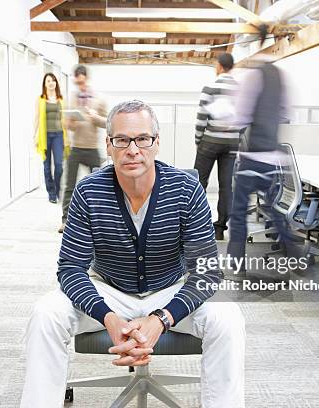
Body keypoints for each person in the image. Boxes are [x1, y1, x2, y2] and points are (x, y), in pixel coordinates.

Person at [21, 100, 245, 408]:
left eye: (142, 139)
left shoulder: (185, 189)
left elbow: (206, 273)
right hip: (111, 290)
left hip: (169, 289)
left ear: (156, 143)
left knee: (228, 318)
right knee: (46, 314)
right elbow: (71, 269)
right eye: (122, 140)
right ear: (109, 145)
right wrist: (108, 318)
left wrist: (161, 320)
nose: (133, 149)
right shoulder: (89, 192)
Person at [227, 24, 295, 270]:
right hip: (274, 158)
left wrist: (229, 121)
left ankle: (236, 264)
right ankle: (293, 255)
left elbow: (242, 116)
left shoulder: (253, 76)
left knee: (239, 212)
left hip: (252, 157)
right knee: (275, 210)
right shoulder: (280, 75)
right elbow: (287, 113)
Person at [194, 53, 243, 241]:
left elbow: (201, 117)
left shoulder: (211, 87)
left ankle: (198, 224)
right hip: (231, 143)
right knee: (226, 186)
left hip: (210, 141)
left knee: (198, 183)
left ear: (219, 66)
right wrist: (236, 136)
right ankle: (220, 228)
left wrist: (199, 139)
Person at [58, 64, 107, 233]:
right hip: (76, 148)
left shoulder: (99, 99)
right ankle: (65, 221)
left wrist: (95, 118)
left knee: (98, 187)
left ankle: (99, 222)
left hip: (92, 149)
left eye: (81, 81)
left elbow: (106, 122)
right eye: (76, 82)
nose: (79, 85)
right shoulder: (71, 100)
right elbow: (67, 126)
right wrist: (70, 122)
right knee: (70, 185)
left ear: (86, 78)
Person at [34, 73, 69, 203]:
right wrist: (34, 135)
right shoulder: (40, 99)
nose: (51, 83)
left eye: (53, 80)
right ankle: (51, 194)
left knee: (59, 165)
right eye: (48, 81)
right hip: (45, 136)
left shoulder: (61, 99)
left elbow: (65, 118)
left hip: (59, 135)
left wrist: (68, 137)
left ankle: (57, 188)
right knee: (47, 165)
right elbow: (37, 118)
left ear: (56, 83)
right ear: (44, 83)